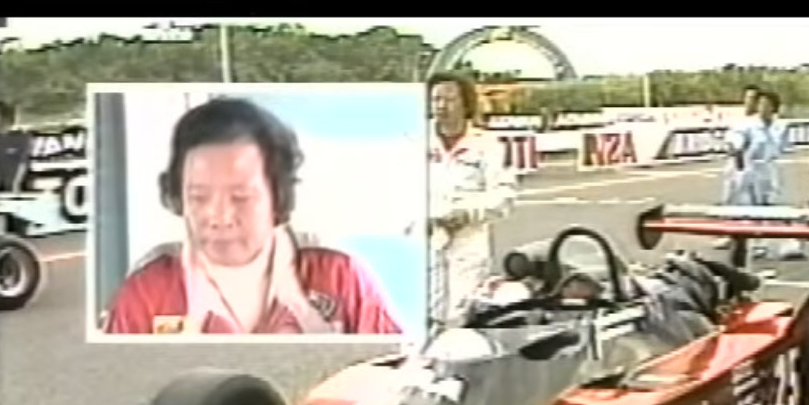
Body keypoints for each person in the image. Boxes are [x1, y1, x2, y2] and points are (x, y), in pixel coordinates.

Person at [104, 97, 401, 335]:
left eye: (241, 197)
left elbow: (388, 369)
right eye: (199, 198)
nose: (219, 217)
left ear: (279, 197)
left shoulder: (341, 276)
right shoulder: (146, 292)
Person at [427, 72, 517, 330]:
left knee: (460, 317)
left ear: (466, 103)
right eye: (436, 99)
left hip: (468, 245)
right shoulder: (414, 140)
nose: (441, 106)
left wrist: (466, 213)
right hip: (424, 243)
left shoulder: (488, 145)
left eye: (449, 99)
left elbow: (504, 197)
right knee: (423, 318)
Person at [722, 90, 791, 265]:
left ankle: (761, 242)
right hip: (748, 169)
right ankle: (740, 242)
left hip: (769, 169)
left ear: (774, 107)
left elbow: (781, 148)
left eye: (767, 104)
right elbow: (734, 141)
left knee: (768, 207)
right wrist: (736, 150)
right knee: (746, 207)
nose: (763, 108)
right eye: (760, 104)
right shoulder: (746, 125)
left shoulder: (780, 126)